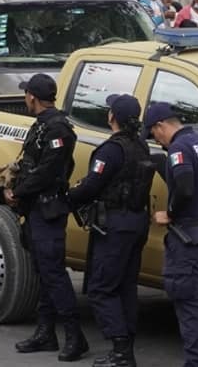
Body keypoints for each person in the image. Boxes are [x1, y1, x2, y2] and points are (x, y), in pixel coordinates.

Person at [67, 94, 152, 367]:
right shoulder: (141, 146)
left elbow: (92, 185)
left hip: (114, 225)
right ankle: (126, 348)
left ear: (112, 116)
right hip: (137, 223)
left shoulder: (111, 150)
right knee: (126, 286)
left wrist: (68, 196)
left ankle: (120, 351)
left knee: (102, 288)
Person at [8, 74, 87, 362]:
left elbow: (49, 171)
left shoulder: (58, 129)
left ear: (32, 96)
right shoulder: (42, 125)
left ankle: (75, 336)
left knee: (53, 273)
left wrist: (18, 191)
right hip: (35, 210)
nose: (24, 99)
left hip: (48, 209)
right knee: (43, 271)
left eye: (26, 94)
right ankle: (46, 332)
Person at [145, 102, 198, 367]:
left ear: (161, 125)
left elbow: (185, 185)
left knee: (189, 307)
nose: (156, 139)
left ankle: (195, 363)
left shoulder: (179, 148)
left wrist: (171, 214)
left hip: (187, 237)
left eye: (154, 133)